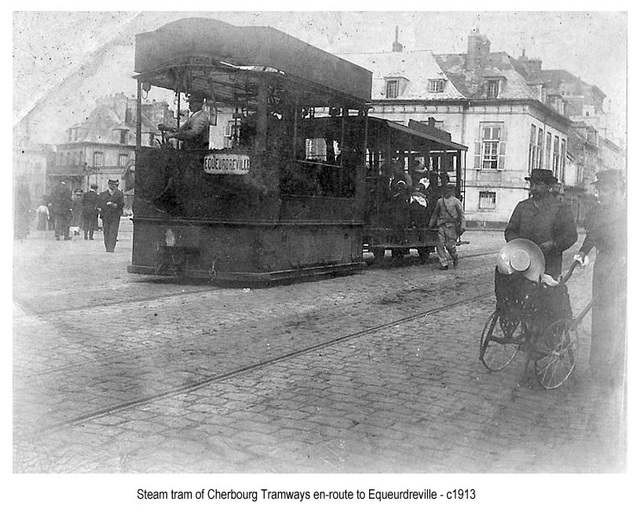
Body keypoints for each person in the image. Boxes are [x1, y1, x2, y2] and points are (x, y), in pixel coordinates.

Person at [574, 169, 626, 390]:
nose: (600, 194)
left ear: (615, 190)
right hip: (604, 264)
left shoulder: (628, 211)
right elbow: (593, 235)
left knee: (618, 317)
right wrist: (583, 253)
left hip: (625, 267)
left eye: (604, 190)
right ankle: (597, 366)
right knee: (600, 312)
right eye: (599, 190)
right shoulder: (599, 211)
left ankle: (616, 368)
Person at [504, 168, 577, 279]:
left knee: (545, 294)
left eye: (539, 184)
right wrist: (519, 245)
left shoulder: (561, 208)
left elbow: (571, 235)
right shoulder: (522, 206)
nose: (534, 188)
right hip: (523, 264)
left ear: (549, 186)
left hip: (549, 265)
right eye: (532, 184)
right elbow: (510, 231)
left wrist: (554, 244)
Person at [429, 184, 464, 270]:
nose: (447, 192)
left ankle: (455, 257)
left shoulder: (456, 201)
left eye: (449, 190)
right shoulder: (440, 201)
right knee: (440, 244)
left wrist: (463, 226)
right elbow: (435, 213)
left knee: (450, 246)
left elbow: (461, 215)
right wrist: (431, 224)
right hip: (442, 225)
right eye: (446, 190)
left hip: (452, 226)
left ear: (452, 191)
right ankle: (444, 264)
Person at [98, 179, 125, 252]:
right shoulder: (103, 194)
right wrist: (105, 206)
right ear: (109, 185)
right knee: (106, 231)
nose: (113, 186)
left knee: (113, 231)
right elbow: (99, 204)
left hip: (115, 215)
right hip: (106, 216)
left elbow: (122, 204)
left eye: (114, 185)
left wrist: (116, 205)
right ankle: (107, 246)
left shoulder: (119, 194)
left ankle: (111, 247)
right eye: (111, 184)